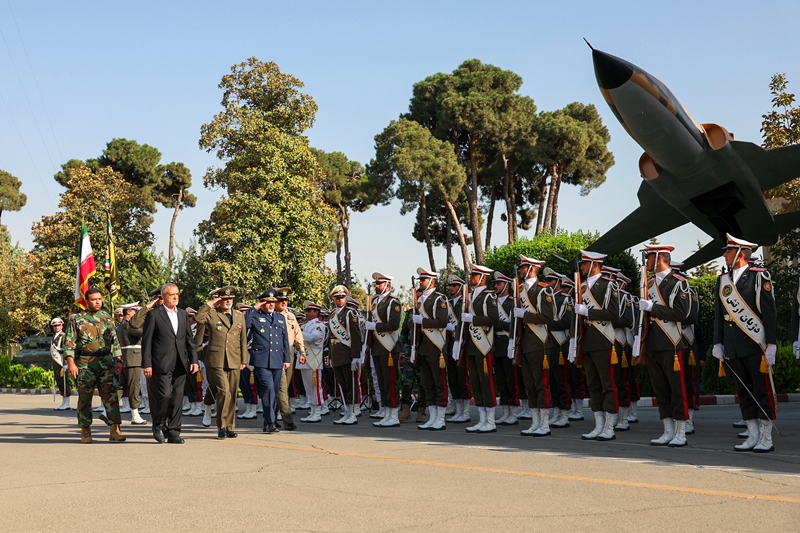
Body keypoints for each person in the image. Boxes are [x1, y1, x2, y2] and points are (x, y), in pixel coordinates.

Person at [713, 234, 777, 453]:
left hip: (754, 345)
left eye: (728, 251)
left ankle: (766, 437)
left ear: (740, 254)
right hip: (733, 346)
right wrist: (718, 343)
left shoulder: (759, 278)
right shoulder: (722, 281)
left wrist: (771, 343)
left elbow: (769, 313)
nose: (724, 255)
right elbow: (719, 315)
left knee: (761, 391)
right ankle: (752, 434)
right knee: (744, 392)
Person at [637, 245, 692, 447]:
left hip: (673, 344)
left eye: (649, 257)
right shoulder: (648, 284)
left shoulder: (678, 284)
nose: (647, 262)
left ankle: (680, 432)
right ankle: (667, 430)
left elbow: (681, 314)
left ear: (659, 258)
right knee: (660, 390)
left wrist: (653, 308)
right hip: (653, 344)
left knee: (677, 390)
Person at [63, 287, 126, 444]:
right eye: (94, 299)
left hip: (106, 361)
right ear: (87, 301)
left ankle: (115, 430)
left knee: (111, 396)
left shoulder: (107, 317)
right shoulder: (76, 319)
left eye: (99, 299)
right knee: (85, 398)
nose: (97, 302)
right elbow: (69, 342)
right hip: (85, 363)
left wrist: (118, 360)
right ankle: (85, 430)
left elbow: (114, 340)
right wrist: (71, 363)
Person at [570, 250, 620, 441]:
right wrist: (574, 341)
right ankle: (598, 425)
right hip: (588, 341)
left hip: (602, 339)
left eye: (585, 264)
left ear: (594, 265)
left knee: (607, 384)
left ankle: (609, 426)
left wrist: (588, 312)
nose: (582, 267)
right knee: (593, 385)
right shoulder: (580, 287)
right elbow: (577, 317)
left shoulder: (608, 286)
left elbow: (613, 313)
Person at [142, 283, 199, 444]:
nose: (175, 297)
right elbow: (147, 342)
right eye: (171, 294)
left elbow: (189, 340)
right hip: (161, 362)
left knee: (177, 398)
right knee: (164, 395)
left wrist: (193, 360)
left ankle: (174, 430)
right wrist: (147, 364)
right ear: (163, 297)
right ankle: (159, 425)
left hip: (181, 362)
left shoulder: (182, 315)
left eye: (177, 294)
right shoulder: (154, 315)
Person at [194, 286, 248, 439]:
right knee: (223, 392)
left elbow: (243, 339)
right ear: (219, 300)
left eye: (230, 299)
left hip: (234, 359)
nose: (228, 302)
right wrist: (211, 303)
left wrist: (244, 359)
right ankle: (221, 425)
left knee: (232, 395)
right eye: (224, 299)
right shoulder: (212, 313)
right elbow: (198, 318)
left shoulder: (239, 316)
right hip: (216, 359)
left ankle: (230, 427)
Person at [512, 256, 556, 437]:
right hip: (526, 344)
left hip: (540, 344)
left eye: (523, 267)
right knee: (529, 385)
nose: (521, 270)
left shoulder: (543, 291)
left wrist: (525, 315)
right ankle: (535, 422)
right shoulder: (520, 290)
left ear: (531, 268)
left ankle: (544, 424)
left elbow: (547, 318)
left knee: (541, 384)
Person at [457, 265, 499, 433]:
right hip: (472, 345)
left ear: (482, 277)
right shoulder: (470, 295)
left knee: (486, 382)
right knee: (475, 382)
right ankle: (482, 419)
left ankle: (490, 420)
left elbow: (493, 319)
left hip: (484, 345)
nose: (471, 277)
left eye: (474, 275)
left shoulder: (489, 296)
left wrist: (473, 319)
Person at [246, 288, 291, 433]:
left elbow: (285, 340)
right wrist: (255, 307)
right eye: (268, 302)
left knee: (275, 392)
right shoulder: (255, 316)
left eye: (273, 302)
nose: (271, 304)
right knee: (268, 389)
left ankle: (267, 421)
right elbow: (245, 325)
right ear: (262, 302)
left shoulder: (280, 317)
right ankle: (271, 421)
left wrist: (287, 358)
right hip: (261, 360)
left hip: (277, 360)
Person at [412, 268, 449, 430]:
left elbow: (442, 322)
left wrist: (423, 321)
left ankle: (440, 418)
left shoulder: (439, 299)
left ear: (432, 281)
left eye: (423, 280)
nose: (420, 282)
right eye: (420, 280)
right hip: (424, 348)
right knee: (428, 384)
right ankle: (433, 417)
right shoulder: (420, 300)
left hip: (437, 347)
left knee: (439, 383)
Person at [365, 272, 403, 428]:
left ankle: (393, 414)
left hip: (389, 348)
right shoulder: (374, 302)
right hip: (377, 348)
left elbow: (394, 324)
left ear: (387, 285)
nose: (377, 286)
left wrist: (375, 326)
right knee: (382, 383)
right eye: (376, 284)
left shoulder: (393, 302)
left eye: (379, 284)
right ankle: (386, 412)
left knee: (390, 382)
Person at [327, 285, 363, 425]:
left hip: (347, 355)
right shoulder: (332, 315)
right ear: (334, 299)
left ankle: (353, 412)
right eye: (337, 298)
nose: (340, 300)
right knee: (342, 385)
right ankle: (346, 412)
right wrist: (330, 355)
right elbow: (331, 337)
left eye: (342, 297)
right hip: (336, 355)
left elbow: (355, 336)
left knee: (351, 384)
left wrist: (356, 357)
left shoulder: (350, 313)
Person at [275, 287, 304, 431]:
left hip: (290, 351)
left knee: (283, 388)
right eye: (281, 300)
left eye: (286, 300)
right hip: (276, 352)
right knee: (281, 388)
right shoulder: (270, 315)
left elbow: (297, 333)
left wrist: (302, 350)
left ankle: (271, 418)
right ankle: (287, 420)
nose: (284, 302)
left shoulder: (291, 316)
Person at [492, 272, 518, 426]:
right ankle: (505, 411)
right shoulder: (493, 302)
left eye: (499, 284)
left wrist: (496, 322)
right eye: (495, 284)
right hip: (496, 344)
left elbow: (513, 326)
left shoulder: (511, 302)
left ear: (507, 286)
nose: (496, 286)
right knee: (501, 380)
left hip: (508, 342)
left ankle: (513, 412)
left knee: (511, 379)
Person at [445, 275, 470, 424]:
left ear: (461, 287)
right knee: (452, 378)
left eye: (454, 285)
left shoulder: (465, 302)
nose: (452, 288)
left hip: (461, 343)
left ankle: (465, 411)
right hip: (450, 343)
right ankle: (457, 408)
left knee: (463, 378)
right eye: (450, 286)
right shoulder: (447, 304)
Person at [117, 302, 147, 425]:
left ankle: (107, 410)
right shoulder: (128, 325)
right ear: (129, 312)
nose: (136, 314)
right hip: (133, 357)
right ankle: (135, 414)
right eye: (135, 311)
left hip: (126, 357)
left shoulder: (122, 325)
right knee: (134, 386)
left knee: (121, 386)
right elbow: (143, 333)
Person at [298, 301, 326, 423]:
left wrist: (298, 333)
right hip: (304, 359)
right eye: (306, 311)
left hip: (314, 358)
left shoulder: (319, 325)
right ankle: (312, 410)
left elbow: (314, 338)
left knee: (316, 387)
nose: (307, 313)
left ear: (316, 312)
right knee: (308, 387)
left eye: (309, 311)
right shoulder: (305, 325)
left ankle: (318, 412)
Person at [50, 317, 71, 411]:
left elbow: (66, 350)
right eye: (54, 326)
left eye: (58, 325)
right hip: (57, 363)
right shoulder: (54, 336)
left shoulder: (63, 336)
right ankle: (63, 401)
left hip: (62, 362)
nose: (56, 327)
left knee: (64, 382)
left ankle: (67, 403)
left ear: (62, 326)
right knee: (60, 382)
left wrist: (66, 363)